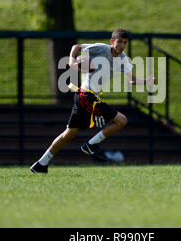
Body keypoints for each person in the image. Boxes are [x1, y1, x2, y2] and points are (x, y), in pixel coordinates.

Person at [30, 28, 156, 173]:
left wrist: (148, 81)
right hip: (86, 96)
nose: (122, 45)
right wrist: (72, 62)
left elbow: (132, 80)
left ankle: (40, 164)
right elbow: (76, 47)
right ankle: (90, 145)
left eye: (125, 43)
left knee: (69, 134)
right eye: (119, 42)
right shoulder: (101, 48)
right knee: (122, 120)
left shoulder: (123, 59)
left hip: (86, 97)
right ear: (112, 41)